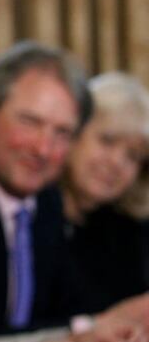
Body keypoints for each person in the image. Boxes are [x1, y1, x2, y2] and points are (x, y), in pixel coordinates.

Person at [0, 41, 92, 335]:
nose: (43, 149)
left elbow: (64, 308)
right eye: (30, 122)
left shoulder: (48, 202)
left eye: (62, 133)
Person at [61, 72, 149, 313]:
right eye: (107, 141)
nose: (116, 163)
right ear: (73, 133)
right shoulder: (28, 215)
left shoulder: (132, 231)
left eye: (133, 156)